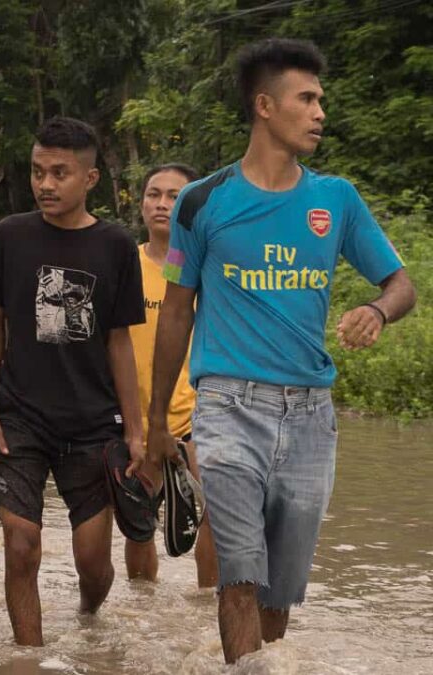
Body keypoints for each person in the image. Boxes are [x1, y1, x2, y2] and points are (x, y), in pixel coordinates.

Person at [147, 39, 416, 665]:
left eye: (321, 99)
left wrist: (377, 310)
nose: (321, 112)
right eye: (309, 98)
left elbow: (401, 285)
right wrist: (158, 421)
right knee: (238, 575)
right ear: (265, 106)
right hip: (224, 406)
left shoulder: (337, 199)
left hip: (311, 416)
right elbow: (178, 310)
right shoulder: (202, 201)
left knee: (278, 594)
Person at [0, 117, 145, 646]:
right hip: (20, 418)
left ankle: (89, 617)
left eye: (60, 173)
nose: (45, 184)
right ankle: (29, 656)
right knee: (21, 544)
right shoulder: (9, 236)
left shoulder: (116, 245)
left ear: (90, 179)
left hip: (93, 424)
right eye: (37, 171)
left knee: (94, 565)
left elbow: (119, 343)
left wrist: (135, 431)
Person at [124, 163, 219, 588]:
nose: (161, 205)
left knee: (217, 514)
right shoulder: (123, 265)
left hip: (197, 417)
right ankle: (144, 612)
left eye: (174, 196)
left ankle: (206, 609)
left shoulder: (211, 270)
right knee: (138, 527)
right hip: (133, 419)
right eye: (153, 194)